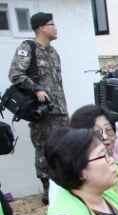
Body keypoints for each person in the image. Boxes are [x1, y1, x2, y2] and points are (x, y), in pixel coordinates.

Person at [8, 12, 68, 205]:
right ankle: (47, 190)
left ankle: (63, 185)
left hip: (59, 110)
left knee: (63, 147)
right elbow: (15, 74)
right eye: (52, 24)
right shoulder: (28, 48)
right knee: (44, 149)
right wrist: (36, 89)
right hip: (42, 113)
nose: (55, 28)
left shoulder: (53, 52)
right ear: (42, 27)